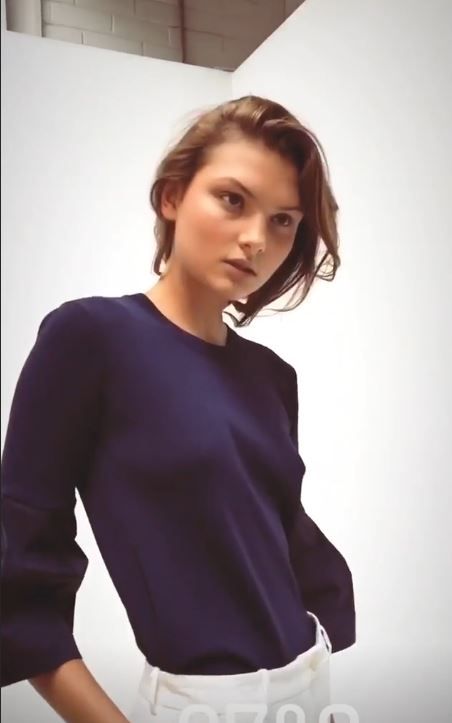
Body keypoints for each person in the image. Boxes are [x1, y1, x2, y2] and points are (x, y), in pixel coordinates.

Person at [0, 95, 356, 722]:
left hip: (312, 682)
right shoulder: (91, 339)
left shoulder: (272, 376)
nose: (256, 239)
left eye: (283, 221)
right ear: (172, 196)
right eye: (233, 200)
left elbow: (266, 530)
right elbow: (18, 577)